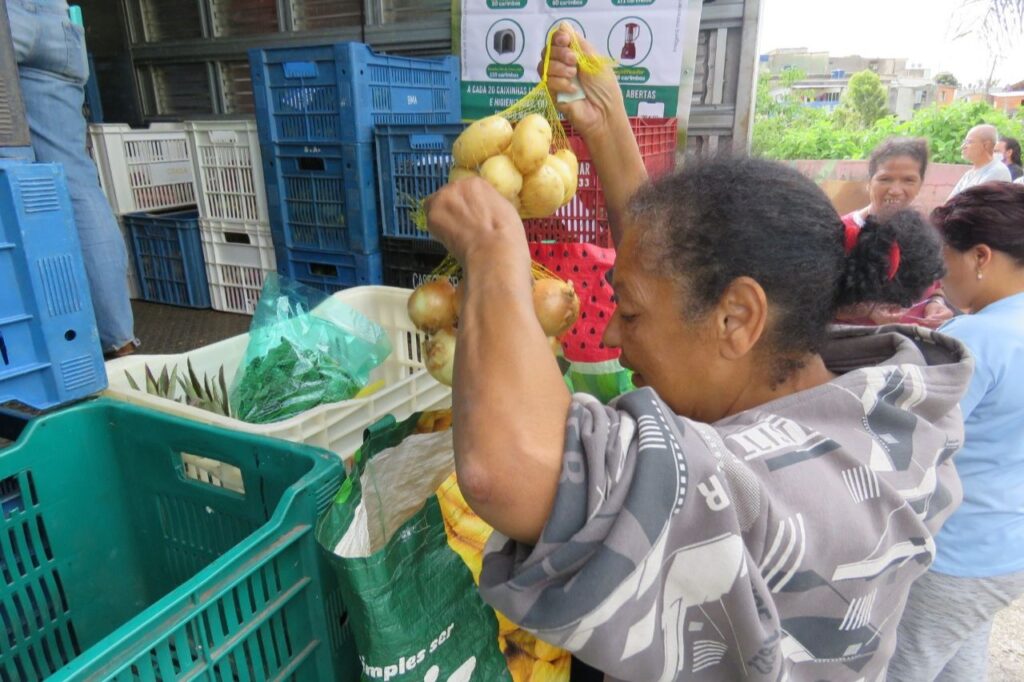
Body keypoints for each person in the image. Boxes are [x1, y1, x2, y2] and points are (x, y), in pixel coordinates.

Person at [423, 25, 970, 681]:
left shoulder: (766, 486)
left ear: (739, 317)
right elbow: (672, 277)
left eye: (627, 315)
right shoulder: (864, 392)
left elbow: (505, 472)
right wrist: (609, 131)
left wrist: (493, 252)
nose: (612, 340)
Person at [888, 182, 1024, 682]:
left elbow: (906, 442)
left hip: (953, 554)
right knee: (958, 659)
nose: (940, 275)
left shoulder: (975, 340)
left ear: (981, 255)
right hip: (1007, 547)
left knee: (902, 667)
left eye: (947, 257)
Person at [2, 0, 136, 357]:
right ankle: (118, 341)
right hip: (54, 23)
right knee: (76, 183)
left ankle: (31, 351)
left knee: (10, 175)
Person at [837, 137, 952, 327]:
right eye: (885, 179)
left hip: (912, 345)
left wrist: (936, 303)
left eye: (909, 180)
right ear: (869, 182)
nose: (896, 190)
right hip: (857, 347)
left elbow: (934, 287)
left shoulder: (925, 234)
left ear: (920, 184)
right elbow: (817, 300)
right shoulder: (842, 231)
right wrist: (867, 310)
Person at [948, 124, 1012, 198]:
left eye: (969, 142)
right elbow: (950, 201)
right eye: (964, 142)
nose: (963, 146)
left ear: (986, 145)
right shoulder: (969, 174)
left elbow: (975, 204)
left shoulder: (998, 171)